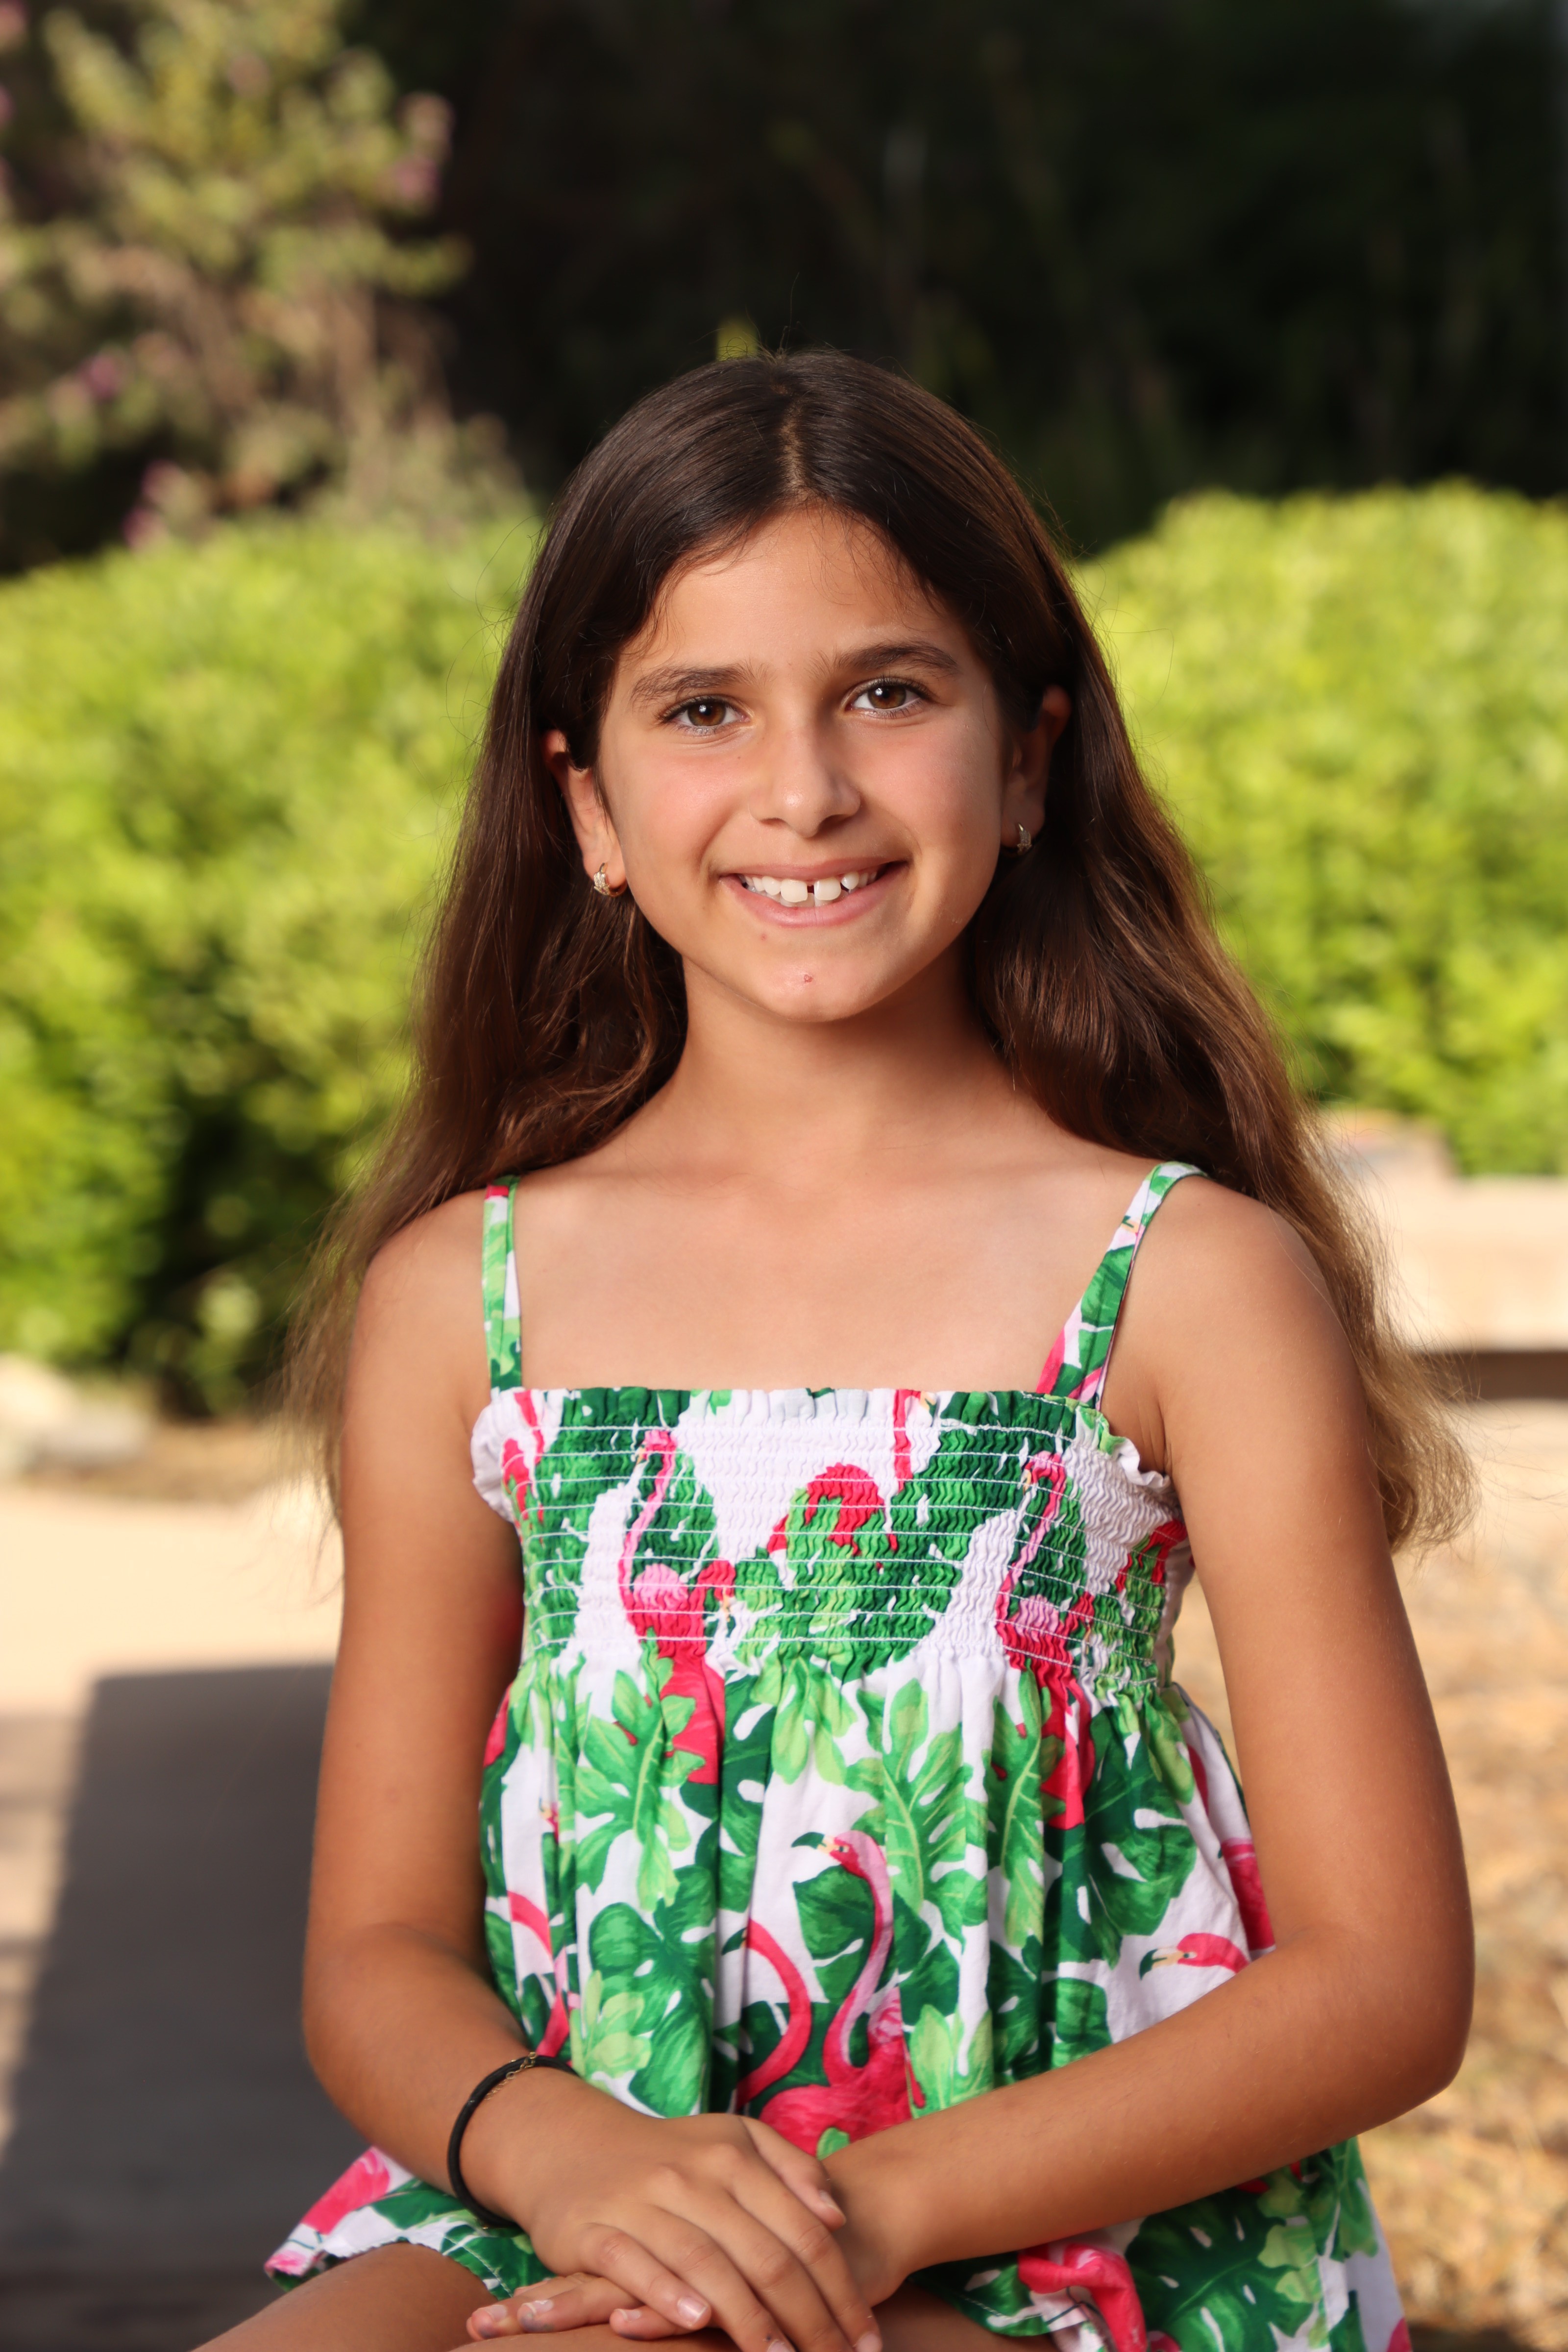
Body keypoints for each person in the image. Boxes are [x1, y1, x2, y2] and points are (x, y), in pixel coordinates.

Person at [203, 352, 1473, 2352]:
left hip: (1071, 2250)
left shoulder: (1183, 1282)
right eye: (703, 709)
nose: (803, 789)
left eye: (887, 693)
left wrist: (844, 2220)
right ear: (588, 804)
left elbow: (1385, 1981)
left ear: (1029, 760)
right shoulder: (465, 1299)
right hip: (575, 2202)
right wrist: (583, 2168)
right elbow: (372, 1953)